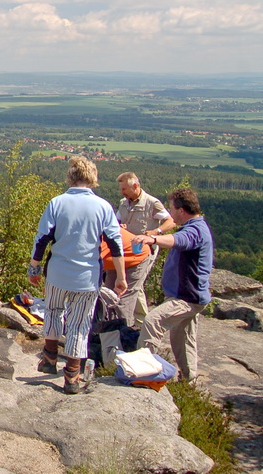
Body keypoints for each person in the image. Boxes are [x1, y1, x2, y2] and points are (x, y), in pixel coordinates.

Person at [29, 156, 127, 394]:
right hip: (87, 276)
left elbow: (42, 238)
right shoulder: (104, 207)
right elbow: (115, 245)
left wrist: (34, 268)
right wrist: (122, 277)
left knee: (52, 312)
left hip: (57, 272)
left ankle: (49, 358)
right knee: (79, 324)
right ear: (92, 178)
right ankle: (72, 376)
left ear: (70, 176)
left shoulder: (57, 203)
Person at [132, 188, 213, 381]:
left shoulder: (195, 231)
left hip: (187, 298)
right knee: (183, 340)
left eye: (172, 209)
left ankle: (144, 373)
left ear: (182, 210)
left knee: (152, 321)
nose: (170, 213)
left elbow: (178, 240)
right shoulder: (194, 227)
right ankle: (189, 381)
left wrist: (153, 239)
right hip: (189, 296)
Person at [115, 172, 176, 325]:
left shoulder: (152, 203)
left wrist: (156, 232)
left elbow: (171, 221)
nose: (122, 192)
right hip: (127, 250)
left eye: (124, 189)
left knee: (136, 282)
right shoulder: (124, 203)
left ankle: (138, 321)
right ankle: (141, 320)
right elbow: (115, 221)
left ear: (135, 186)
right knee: (135, 283)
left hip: (146, 250)